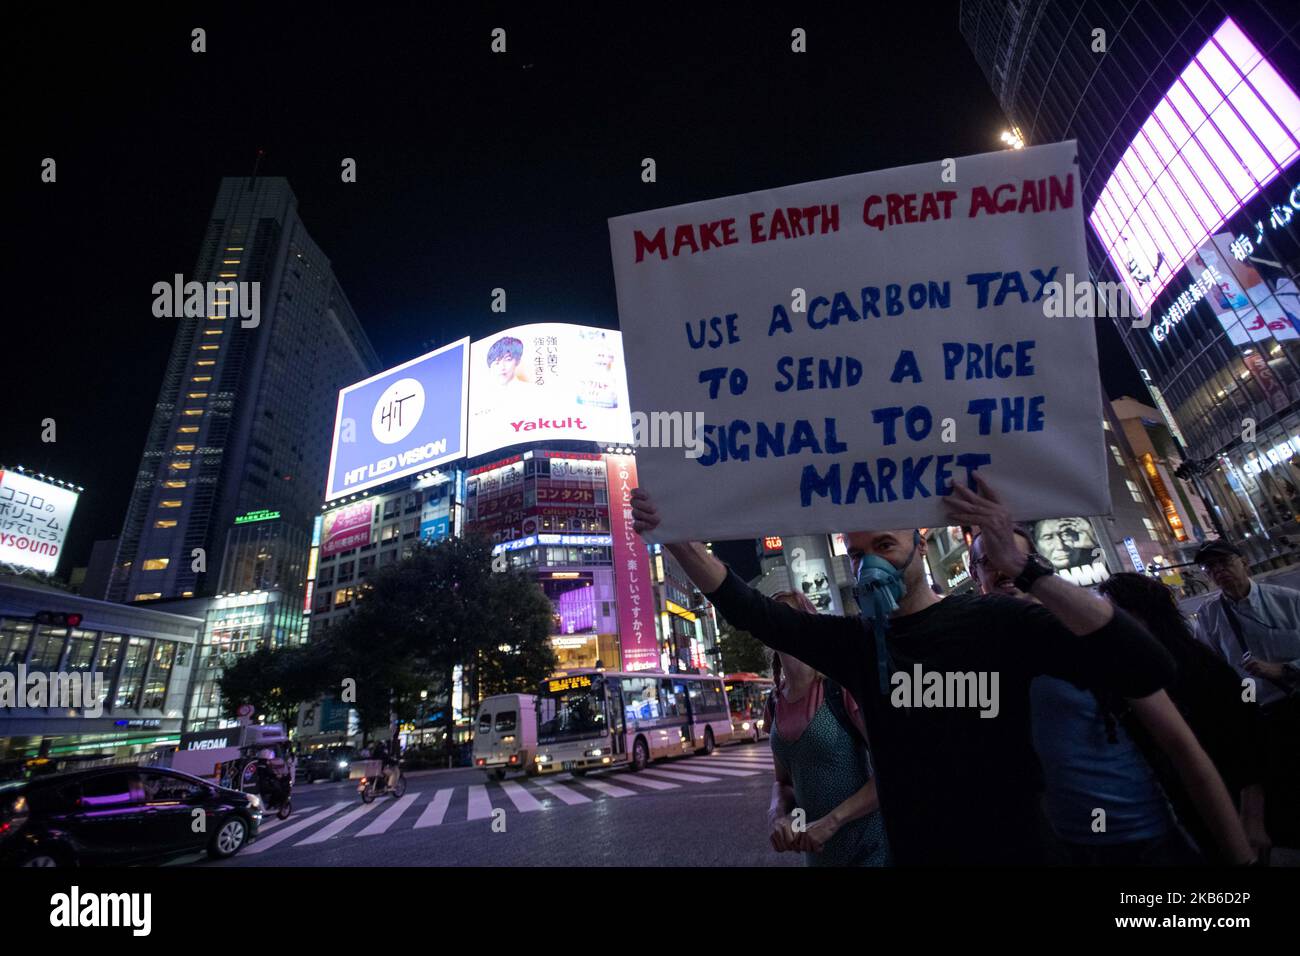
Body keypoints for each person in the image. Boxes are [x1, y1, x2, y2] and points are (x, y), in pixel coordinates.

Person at [630, 478, 1257, 865]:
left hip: (1027, 855)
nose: (869, 563)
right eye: (857, 554)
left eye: (885, 546)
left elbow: (1143, 662)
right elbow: (750, 609)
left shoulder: (995, 622)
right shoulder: (856, 645)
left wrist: (1031, 570)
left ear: (921, 546)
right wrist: (678, 536)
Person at [971, 530, 1232, 865]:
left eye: (1015, 558)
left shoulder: (1091, 636)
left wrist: (1238, 854)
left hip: (1142, 841)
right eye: (989, 561)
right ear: (975, 575)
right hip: (1055, 846)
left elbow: (1180, 745)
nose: (1004, 569)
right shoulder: (981, 651)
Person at [1098, 572, 1271, 861]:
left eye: (1116, 612)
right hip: (1176, 814)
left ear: (1143, 614)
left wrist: (1253, 814)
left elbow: (1247, 736)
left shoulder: (1199, 666)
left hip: (1227, 804)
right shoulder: (1123, 674)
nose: (1109, 624)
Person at [764, 591, 890, 867]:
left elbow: (891, 771)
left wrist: (833, 821)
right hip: (819, 858)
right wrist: (779, 813)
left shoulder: (838, 687)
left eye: (788, 616)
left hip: (870, 852)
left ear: (807, 623)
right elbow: (785, 781)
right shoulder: (774, 702)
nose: (779, 624)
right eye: (771, 617)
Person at [1191, 538, 1300, 847]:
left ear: (1244, 562)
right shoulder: (1209, 617)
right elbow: (1210, 669)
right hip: (1260, 716)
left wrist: (1285, 669)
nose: (1218, 571)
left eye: (1224, 562)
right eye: (1210, 567)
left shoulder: (1288, 600)